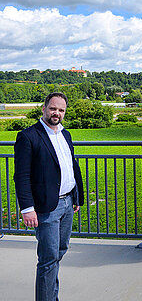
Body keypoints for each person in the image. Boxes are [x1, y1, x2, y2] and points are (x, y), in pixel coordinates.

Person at [14, 92, 84, 301]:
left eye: (61, 110)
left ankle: (51, 295)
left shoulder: (65, 135)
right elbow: (22, 176)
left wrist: (76, 197)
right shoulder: (28, 136)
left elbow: (71, 167)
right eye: (53, 108)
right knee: (48, 258)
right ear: (43, 108)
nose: (57, 113)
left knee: (59, 251)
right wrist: (27, 209)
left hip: (67, 202)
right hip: (46, 207)